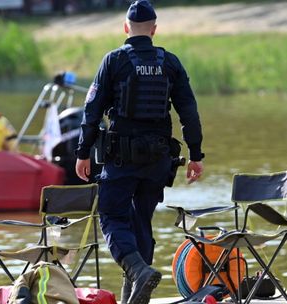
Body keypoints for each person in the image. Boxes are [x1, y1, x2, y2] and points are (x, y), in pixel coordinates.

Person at [74, 1, 204, 303]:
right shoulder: (169, 62)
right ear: (154, 31)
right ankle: (136, 293)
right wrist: (196, 155)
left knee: (112, 217)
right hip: (158, 161)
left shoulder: (114, 60)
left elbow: (91, 110)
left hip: (121, 160)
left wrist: (82, 152)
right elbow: (190, 113)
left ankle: (138, 271)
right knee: (140, 221)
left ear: (125, 28)